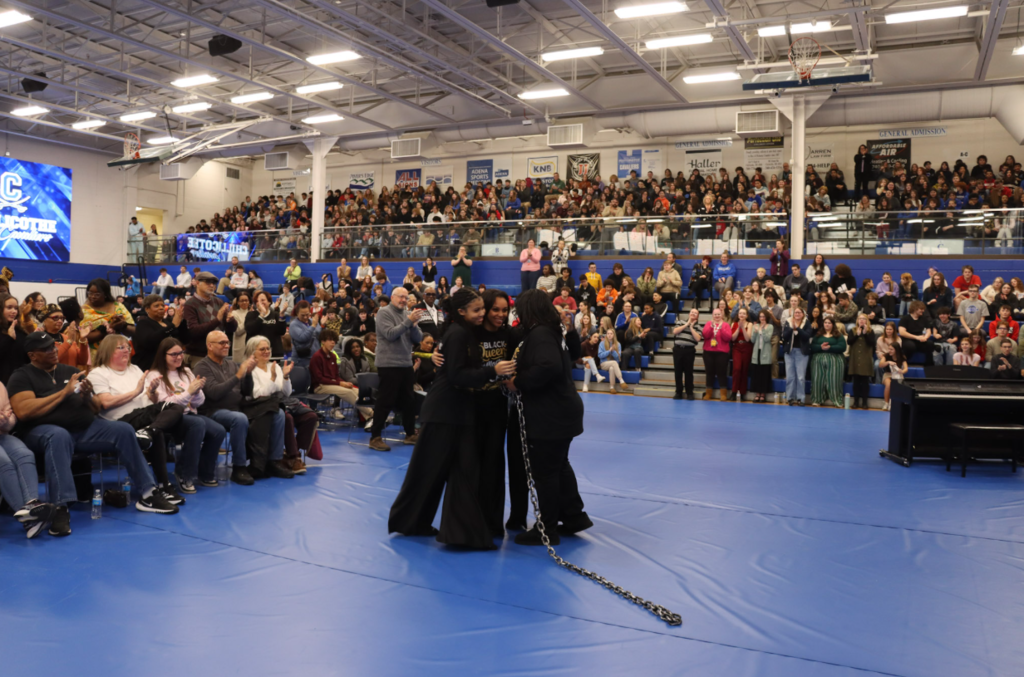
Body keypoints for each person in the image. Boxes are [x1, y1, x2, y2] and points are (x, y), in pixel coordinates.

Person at [10, 332, 178, 537]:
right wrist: (64, 393)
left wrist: (88, 396)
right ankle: (60, 507)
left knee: (124, 430)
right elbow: (24, 411)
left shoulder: (71, 371)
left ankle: (148, 493)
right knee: (58, 436)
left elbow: (96, 408)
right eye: (45, 349)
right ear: (32, 355)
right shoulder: (22, 376)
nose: (53, 350)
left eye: (53, 346)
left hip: (85, 428)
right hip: (43, 431)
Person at [388, 289, 516, 548]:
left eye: (483, 309)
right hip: (445, 411)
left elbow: (454, 367)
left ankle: (451, 530)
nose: (482, 314)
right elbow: (457, 375)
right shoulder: (458, 334)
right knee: (429, 471)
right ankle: (414, 522)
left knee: (456, 472)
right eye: (477, 310)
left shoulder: (463, 332)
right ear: (461, 312)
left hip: (457, 411)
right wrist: (493, 370)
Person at [506, 289, 590, 546]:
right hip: (562, 409)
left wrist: (517, 382)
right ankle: (574, 516)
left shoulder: (541, 333)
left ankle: (548, 527)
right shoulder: (552, 330)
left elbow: (547, 366)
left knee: (545, 473)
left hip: (551, 414)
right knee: (559, 466)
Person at [89, 335, 185, 504]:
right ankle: (163, 484)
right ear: (108, 350)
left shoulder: (135, 369)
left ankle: (149, 432)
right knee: (161, 426)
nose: (127, 350)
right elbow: (105, 403)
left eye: (127, 346)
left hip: (143, 415)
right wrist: (136, 391)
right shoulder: (98, 373)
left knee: (174, 409)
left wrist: (152, 392)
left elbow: (151, 400)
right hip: (120, 421)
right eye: (121, 348)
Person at [145, 338, 227, 490]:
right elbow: (165, 405)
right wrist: (189, 392)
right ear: (163, 355)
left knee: (218, 431)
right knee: (197, 424)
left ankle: (205, 473)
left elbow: (198, 403)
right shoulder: (155, 375)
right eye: (174, 354)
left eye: (181, 353)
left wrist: (196, 392)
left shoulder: (187, 372)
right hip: (169, 419)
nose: (179, 357)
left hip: (190, 414)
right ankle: (184, 474)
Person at [193, 331, 262, 485]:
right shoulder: (201, 367)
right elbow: (214, 393)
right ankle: (239, 467)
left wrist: (248, 374)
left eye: (227, 342)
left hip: (237, 407)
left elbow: (246, 392)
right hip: (214, 411)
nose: (226, 346)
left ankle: (268, 461)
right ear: (210, 346)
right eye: (222, 343)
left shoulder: (231, 364)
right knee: (239, 418)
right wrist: (238, 375)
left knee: (275, 413)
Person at [243, 336, 310, 474]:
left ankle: (292, 454)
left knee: (310, 416)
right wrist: (273, 379)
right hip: (256, 407)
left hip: (277, 403)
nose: (266, 351)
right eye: (262, 349)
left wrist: (285, 377)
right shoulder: (250, 370)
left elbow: (287, 393)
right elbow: (258, 395)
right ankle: (277, 459)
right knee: (281, 414)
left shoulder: (275, 367)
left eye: (268, 348)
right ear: (252, 352)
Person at [367, 287, 423, 452]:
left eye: (406, 298)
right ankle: (375, 437)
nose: (404, 300)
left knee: (409, 401)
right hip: (388, 364)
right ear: (392, 297)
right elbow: (390, 334)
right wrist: (408, 322)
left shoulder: (407, 315)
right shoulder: (384, 313)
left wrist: (412, 325)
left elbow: (418, 338)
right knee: (385, 401)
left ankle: (410, 434)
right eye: (401, 297)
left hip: (405, 363)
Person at [0, 378, 55, 538]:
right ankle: (29, 517)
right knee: (3, 461)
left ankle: (31, 504)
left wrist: (6, 421)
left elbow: (11, 418)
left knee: (25, 454)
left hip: (3, 434)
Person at [311, 329, 373, 420]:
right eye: (330, 340)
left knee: (357, 391)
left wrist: (344, 382)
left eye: (334, 341)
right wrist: (340, 383)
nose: (333, 343)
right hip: (320, 386)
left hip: (332, 384)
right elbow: (319, 379)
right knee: (348, 392)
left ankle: (369, 419)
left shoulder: (332, 356)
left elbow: (336, 376)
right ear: (323, 341)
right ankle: (373, 413)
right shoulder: (317, 357)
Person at [183, 272, 235, 367]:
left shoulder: (218, 302)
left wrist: (231, 320)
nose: (212, 285)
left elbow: (231, 329)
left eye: (213, 283)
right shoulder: (190, 304)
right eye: (208, 282)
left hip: (218, 354)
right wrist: (217, 320)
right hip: (198, 355)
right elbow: (193, 331)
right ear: (197, 283)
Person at [81, 278, 135, 355]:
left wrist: (122, 325)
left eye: (97, 294)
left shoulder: (118, 307)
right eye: (90, 293)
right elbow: (82, 337)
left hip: (116, 351)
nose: (92, 296)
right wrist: (106, 329)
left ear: (105, 294)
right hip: (93, 354)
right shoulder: (83, 311)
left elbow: (133, 330)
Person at [132, 294, 184, 371]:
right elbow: (149, 341)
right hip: (150, 366)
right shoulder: (143, 323)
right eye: (156, 306)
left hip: (170, 365)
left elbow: (184, 340)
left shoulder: (168, 322)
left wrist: (183, 320)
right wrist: (172, 326)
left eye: (162, 306)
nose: (161, 308)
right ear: (147, 309)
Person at [809, 318, 847, 407]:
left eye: (829, 323)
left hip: (835, 359)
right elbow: (812, 346)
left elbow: (842, 347)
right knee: (817, 380)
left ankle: (837, 400)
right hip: (818, 360)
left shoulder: (838, 335)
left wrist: (830, 347)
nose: (827, 324)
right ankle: (817, 399)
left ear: (833, 324)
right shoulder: (818, 335)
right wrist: (820, 347)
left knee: (834, 380)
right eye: (825, 322)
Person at [39, 304, 89, 369]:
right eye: (55, 318)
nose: (60, 321)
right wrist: (69, 342)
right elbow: (51, 360)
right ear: (44, 320)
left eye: (62, 318)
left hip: (71, 377)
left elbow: (83, 361)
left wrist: (83, 340)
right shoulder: (41, 339)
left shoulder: (65, 337)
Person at [782, 307, 812, 406]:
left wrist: (798, 328)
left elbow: (807, 336)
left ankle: (801, 398)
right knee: (790, 377)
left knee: (800, 377)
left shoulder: (806, 323)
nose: (797, 314)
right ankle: (790, 398)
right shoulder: (788, 321)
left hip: (801, 352)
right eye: (796, 312)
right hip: (789, 352)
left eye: (800, 312)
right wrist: (792, 328)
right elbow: (784, 336)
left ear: (803, 314)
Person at [702, 307, 732, 401]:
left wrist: (721, 328)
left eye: (718, 314)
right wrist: (711, 328)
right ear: (712, 315)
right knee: (709, 373)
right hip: (708, 352)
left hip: (722, 352)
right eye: (715, 314)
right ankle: (708, 393)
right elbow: (705, 335)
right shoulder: (708, 324)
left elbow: (728, 338)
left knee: (721, 373)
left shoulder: (726, 325)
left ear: (722, 315)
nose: (717, 316)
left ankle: (723, 394)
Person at [245, 290, 287, 358]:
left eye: (263, 300)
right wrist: (262, 315)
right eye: (257, 301)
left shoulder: (275, 314)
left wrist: (281, 315)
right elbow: (250, 330)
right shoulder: (251, 315)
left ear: (269, 302)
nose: (260, 302)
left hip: (275, 352)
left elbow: (281, 332)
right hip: (256, 354)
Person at [848, 313, 877, 409]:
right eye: (860, 318)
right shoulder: (852, 330)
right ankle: (856, 402)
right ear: (857, 320)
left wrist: (865, 334)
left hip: (865, 358)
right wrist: (857, 335)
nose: (861, 320)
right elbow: (849, 341)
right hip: (855, 357)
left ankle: (865, 402)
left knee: (865, 381)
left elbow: (872, 343)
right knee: (856, 381)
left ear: (867, 321)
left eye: (864, 319)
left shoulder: (870, 331)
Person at [0, 293, 29, 384]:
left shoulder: (20, 331)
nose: (14, 311)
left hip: (21, 381)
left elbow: (26, 358)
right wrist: (9, 338)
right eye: (9, 308)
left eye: (16, 308)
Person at [749, 309, 776, 403]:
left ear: (767, 317)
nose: (762, 318)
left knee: (764, 374)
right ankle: (757, 394)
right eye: (760, 316)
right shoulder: (755, 326)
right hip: (757, 352)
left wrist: (762, 330)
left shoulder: (770, 326)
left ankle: (763, 394)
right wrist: (756, 332)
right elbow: (752, 340)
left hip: (765, 353)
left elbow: (767, 339)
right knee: (756, 373)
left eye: (764, 316)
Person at [899, 300, 936, 366]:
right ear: (915, 309)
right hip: (908, 339)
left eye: (923, 309)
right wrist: (916, 337)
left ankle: (929, 365)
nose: (923, 311)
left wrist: (925, 337)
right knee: (910, 346)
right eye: (921, 309)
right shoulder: (905, 319)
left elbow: (928, 331)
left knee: (930, 344)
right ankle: (903, 362)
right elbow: (902, 332)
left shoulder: (924, 319)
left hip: (920, 339)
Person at [730, 307, 754, 401]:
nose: (742, 315)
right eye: (740, 313)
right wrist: (738, 328)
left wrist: (743, 327)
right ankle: (734, 392)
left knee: (744, 370)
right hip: (736, 347)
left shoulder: (750, 324)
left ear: (747, 315)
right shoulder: (734, 323)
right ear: (738, 315)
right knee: (737, 369)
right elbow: (732, 338)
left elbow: (748, 338)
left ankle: (743, 392)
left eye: (744, 313)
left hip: (746, 347)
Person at [289, 301, 322, 369]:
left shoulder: (312, 321)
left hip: (315, 358)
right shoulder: (294, 325)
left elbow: (319, 335)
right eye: (302, 315)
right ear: (297, 313)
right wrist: (313, 326)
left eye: (307, 314)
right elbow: (303, 337)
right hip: (301, 361)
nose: (305, 317)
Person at [878, 341, 908, 411]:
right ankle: (886, 403)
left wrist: (902, 371)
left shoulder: (902, 357)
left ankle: (900, 404)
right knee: (888, 384)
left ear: (896, 350)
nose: (889, 351)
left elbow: (906, 368)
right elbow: (880, 365)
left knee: (900, 385)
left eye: (891, 349)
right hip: (888, 374)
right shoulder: (886, 355)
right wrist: (888, 362)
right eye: (889, 349)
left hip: (897, 374)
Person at [597, 328, 628, 393]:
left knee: (611, 368)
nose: (609, 335)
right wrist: (609, 351)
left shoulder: (618, 344)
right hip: (604, 363)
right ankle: (621, 380)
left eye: (611, 333)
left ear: (614, 335)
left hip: (614, 364)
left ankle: (612, 387)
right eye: (608, 333)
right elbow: (600, 355)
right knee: (613, 363)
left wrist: (613, 351)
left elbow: (618, 358)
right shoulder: (602, 343)